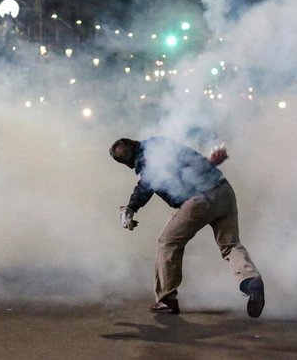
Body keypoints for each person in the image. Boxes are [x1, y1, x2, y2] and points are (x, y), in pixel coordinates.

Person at [109, 136, 264, 317]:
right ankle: (251, 280)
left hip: (199, 199)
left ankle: (167, 299)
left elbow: (147, 184)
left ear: (127, 162)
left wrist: (131, 208)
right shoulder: (159, 144)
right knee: (230, 245)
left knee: (167, 242)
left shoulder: (149, 157)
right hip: (224, 191)